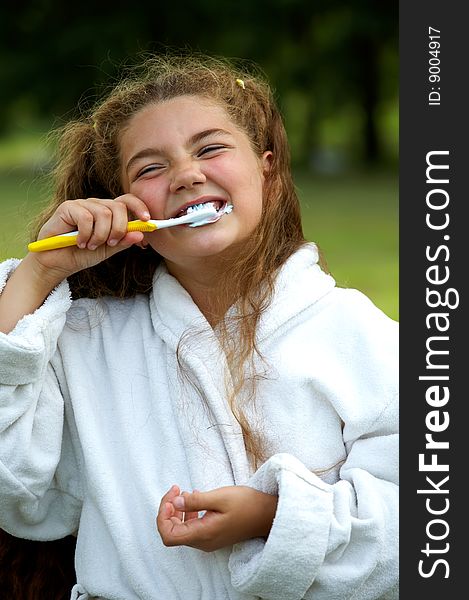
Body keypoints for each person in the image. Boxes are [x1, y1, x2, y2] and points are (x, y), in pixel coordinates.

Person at [0, 53, 398, 599]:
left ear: (268, 169)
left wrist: (273, 517)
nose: (187, 174)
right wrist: (37, 273)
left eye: (210, 149)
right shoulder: (85, 341)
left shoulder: (358, 334)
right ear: (127, 205)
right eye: (149, 168)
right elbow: (18, 494)